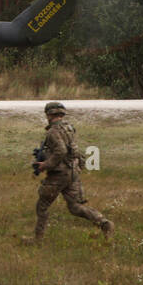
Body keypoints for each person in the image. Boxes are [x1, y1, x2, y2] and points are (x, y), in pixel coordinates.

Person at [28, 102, 113, 244]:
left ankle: (37, 239)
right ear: (62, 114)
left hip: (59, 175)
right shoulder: (69, 128)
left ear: (49, 115)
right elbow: (71, 150)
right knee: (75, 207)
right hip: (72, 173)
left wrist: (45, 165)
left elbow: (61, 151)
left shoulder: (53, 132)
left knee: (42, 206)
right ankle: (104, 223)